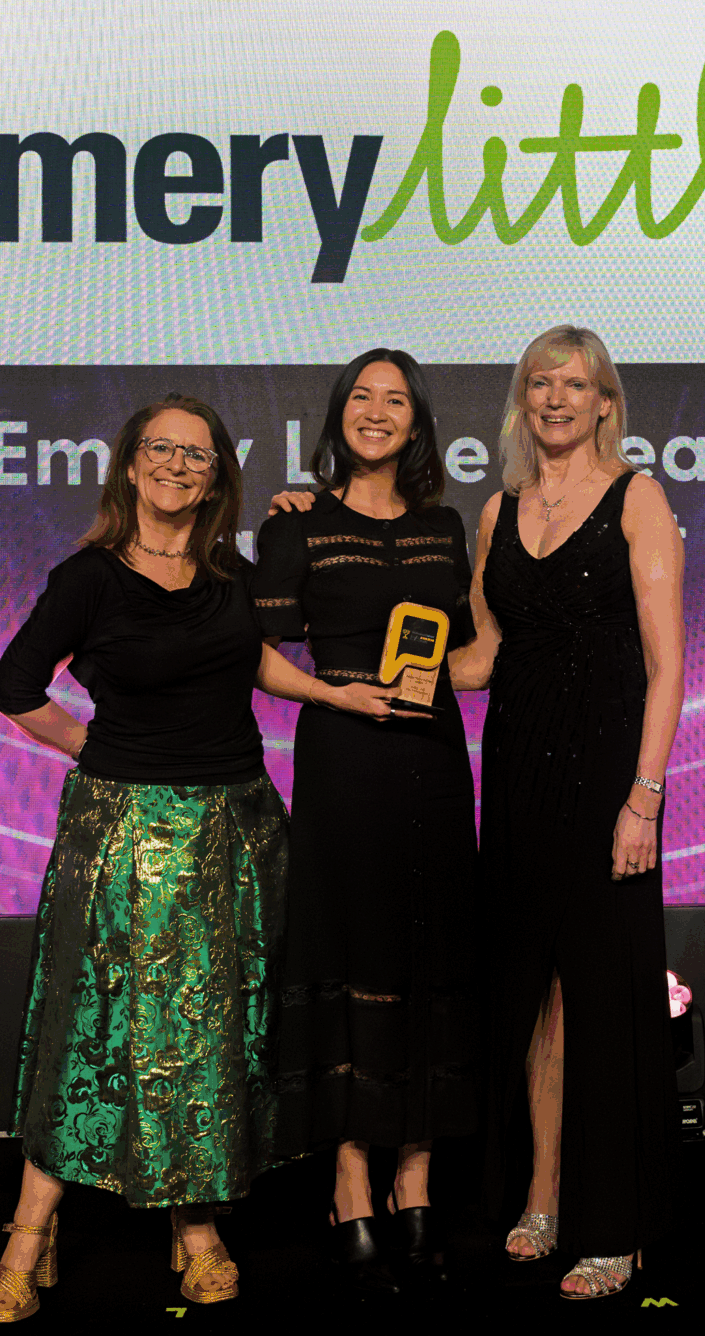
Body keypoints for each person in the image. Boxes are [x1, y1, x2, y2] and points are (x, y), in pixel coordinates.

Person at [0, 394, 401, 1322]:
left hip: (239, 828)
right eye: (160, 449)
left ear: (217, 476)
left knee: (209, 1037)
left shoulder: (228, 572)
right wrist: (96, 749)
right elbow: (12, 687)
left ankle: (195, 1221)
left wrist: (333, 695)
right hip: (126, 830)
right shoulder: (88, 577)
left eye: (198, 455)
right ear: (129, 464)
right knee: (94, 1029)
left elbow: (253, 659)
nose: (177, 465)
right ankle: (29, 1228)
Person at [460, 326, 685, 1300]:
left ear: (603, 403)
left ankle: (616, 1226)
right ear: (523, 400)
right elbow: (477, 658)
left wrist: (644, 797)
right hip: (512, 781)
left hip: (607, 786)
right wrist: (358, 663)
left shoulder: (636, 497)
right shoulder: (494, 513)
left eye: (574, 383)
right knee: (534, 1003)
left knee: (605, 1002)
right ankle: (543, 1197)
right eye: (538, 382)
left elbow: (666, 663)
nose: (554, 397)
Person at [252, 350, 480, 1290]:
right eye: (361, 397)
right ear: (338, 415)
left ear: (418, 422)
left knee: (426, 952)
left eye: (395, 399)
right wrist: (338, 696)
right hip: (343, 762)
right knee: (347, 949)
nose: (376, 412)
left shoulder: (443, 526)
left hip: (432, 764)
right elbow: (256, 655)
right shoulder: (295, 524)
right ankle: (351, 1172)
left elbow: (470, 653)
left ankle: (414, 1168)